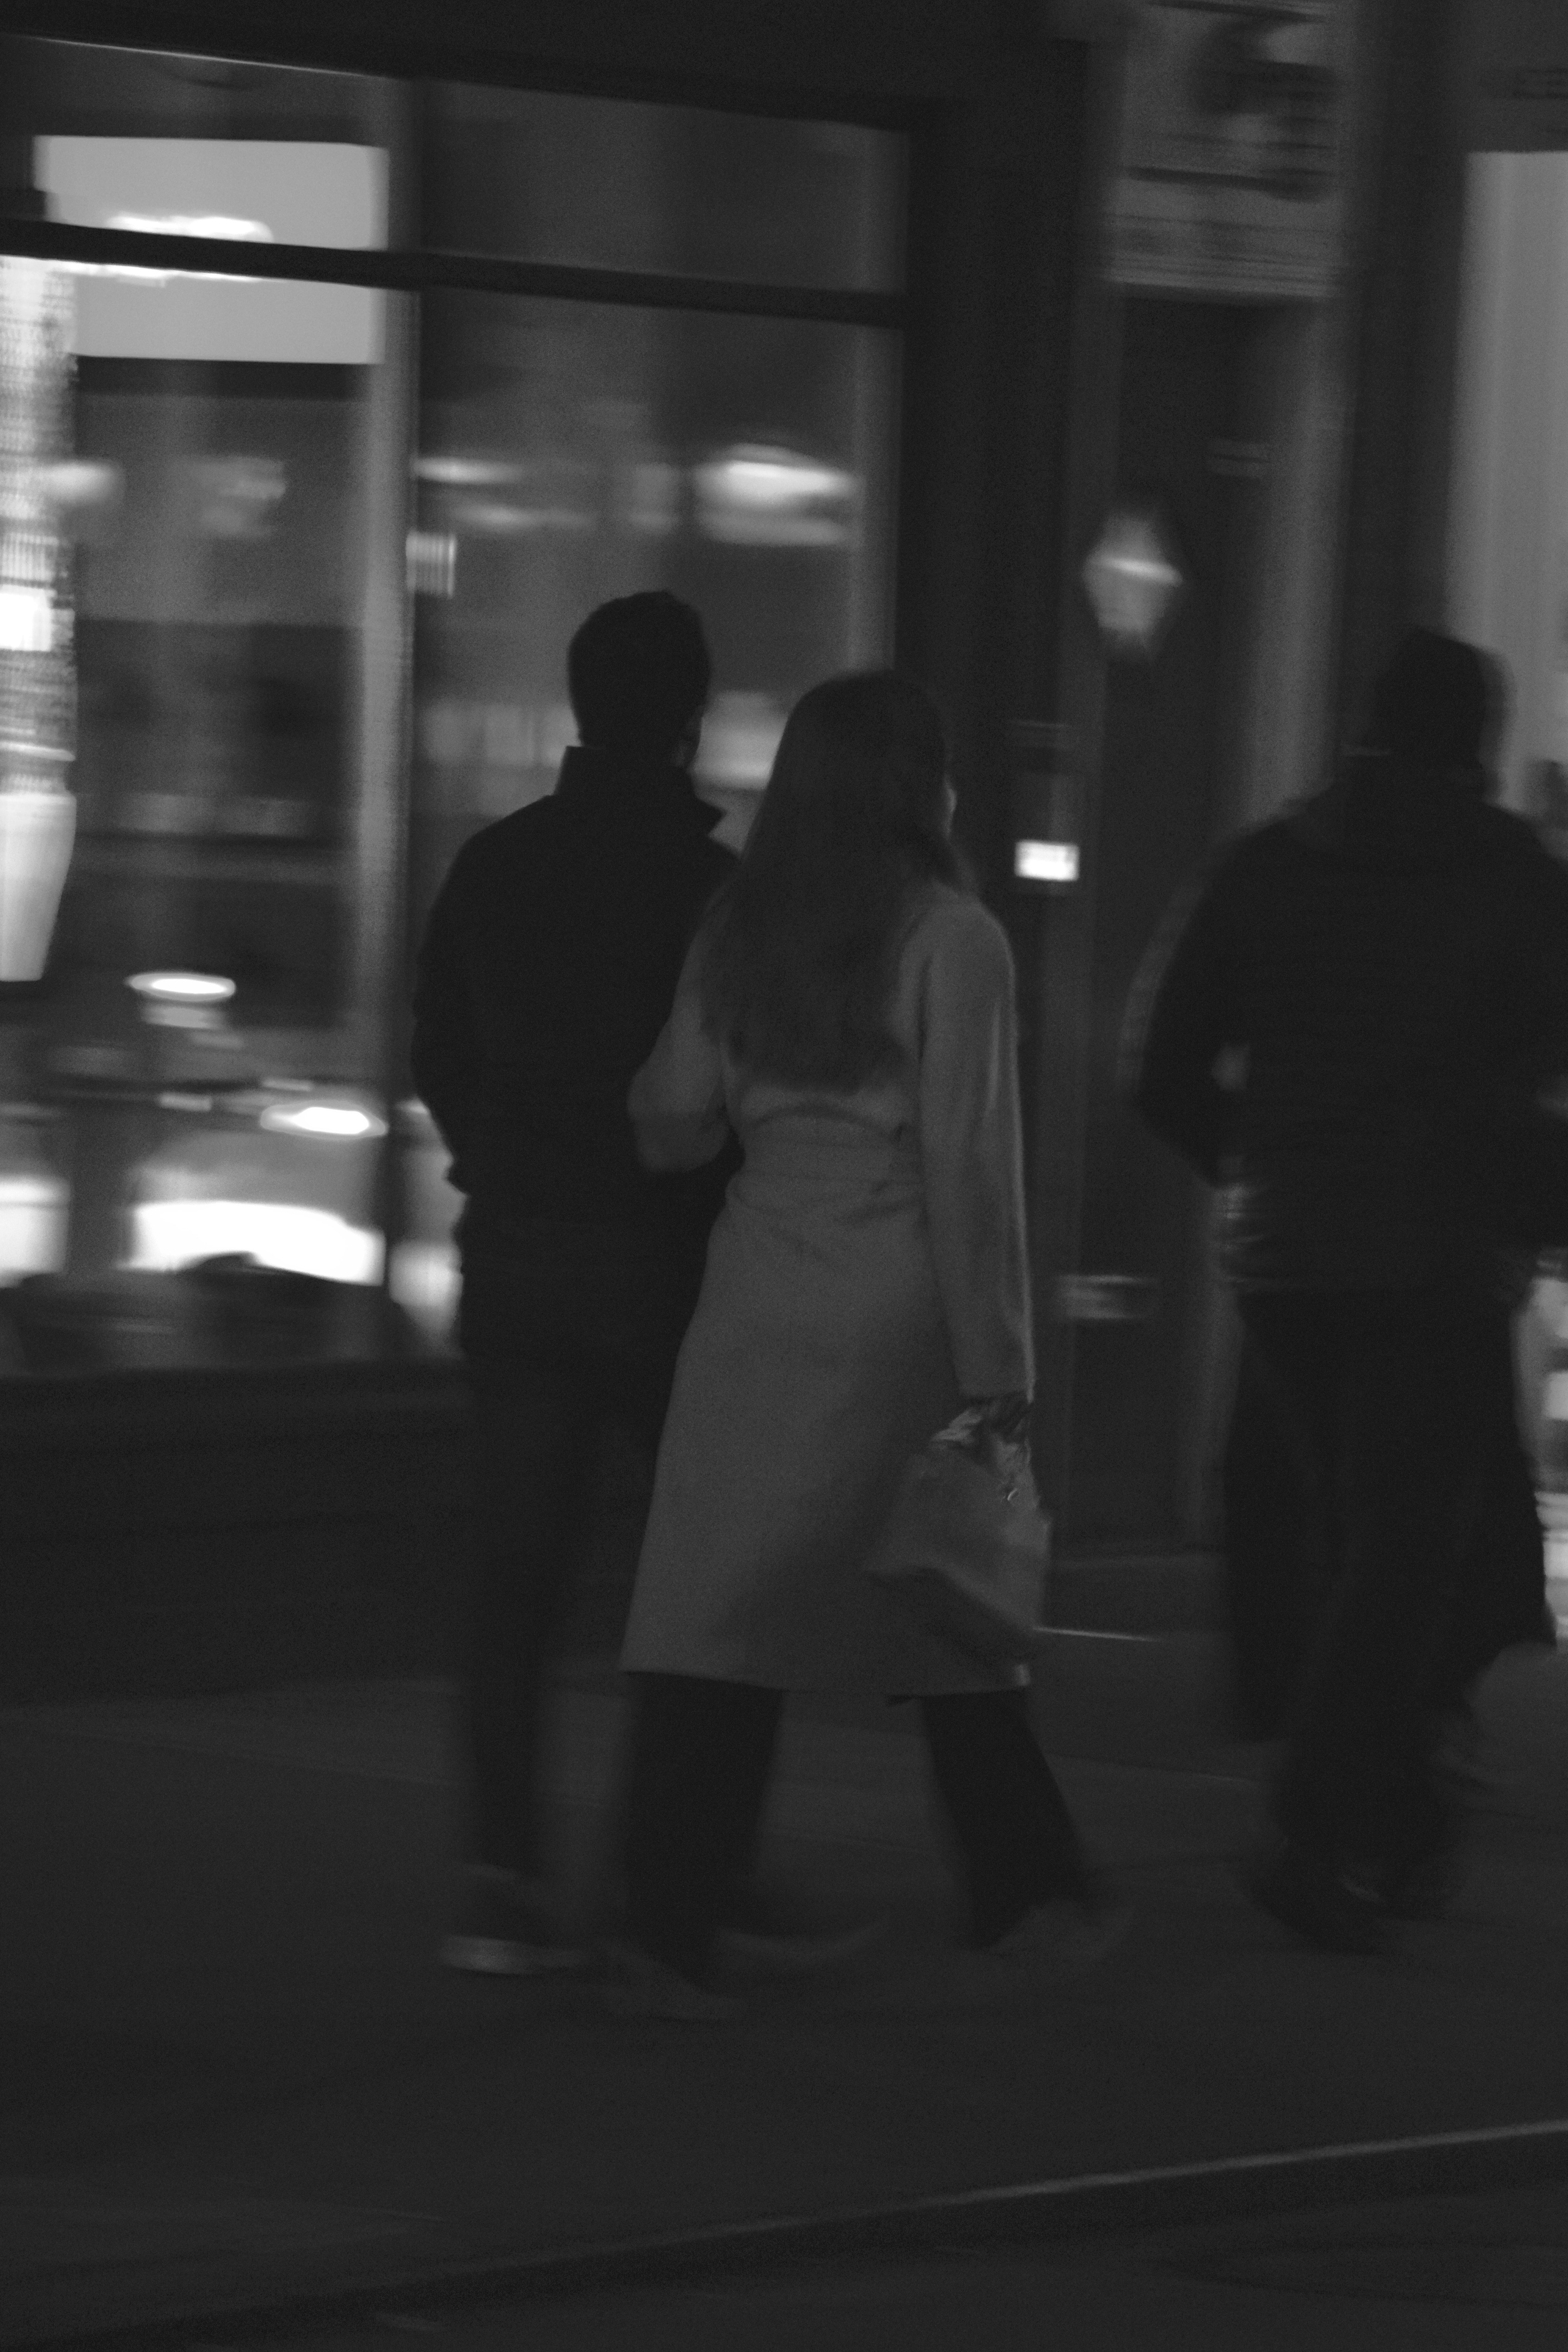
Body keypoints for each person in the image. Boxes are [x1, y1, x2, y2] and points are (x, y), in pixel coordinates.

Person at [596, 669, 1120, 2019]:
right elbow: (970, 1170)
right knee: (951, 1601)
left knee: (715, 1614)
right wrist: (1001, 1373)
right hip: (894, 1303)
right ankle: (1028, 1891)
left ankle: (668, 1922)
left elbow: (670, 1119)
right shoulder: (954, 940)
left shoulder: (740, 925)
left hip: (756, 1292)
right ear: (917, 786)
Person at [1126, 626, 1568, 1953]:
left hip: (1287, 1264)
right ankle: (1319, 1823)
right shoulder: (1516, 881)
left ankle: (1398, 1807)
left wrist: (1258, 1161)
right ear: (1475, 742)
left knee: (1356, 1537)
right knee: (1411, 1553)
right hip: (1438, 1259)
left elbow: (1160, 1065)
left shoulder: (1266, 864)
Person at [411, 589, 738, 1974]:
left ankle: (503, 1875)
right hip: (666, 1266)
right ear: (689, 722)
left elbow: (439, 1049)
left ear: (578, 705)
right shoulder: (712, 889)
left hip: (522, 1254)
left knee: (516, 1583)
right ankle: (671, 1882)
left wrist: (494, 1155)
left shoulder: (498, 865)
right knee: (698, 1585)